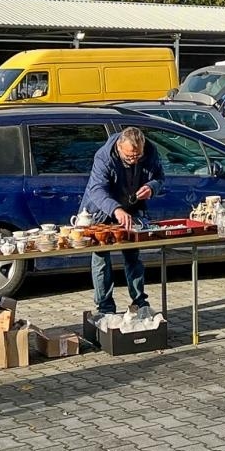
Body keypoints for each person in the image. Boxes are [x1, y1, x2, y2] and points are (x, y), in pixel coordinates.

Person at [81, 127, 164, 317]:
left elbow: (160, 177)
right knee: (101, 258)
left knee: (133, 256)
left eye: (137, 156)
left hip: (132, 208)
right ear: (119, 147)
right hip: (103, 210)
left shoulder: (150, 151)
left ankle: (140, 302)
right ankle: (105, 308)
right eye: (129, 157)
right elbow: (97, 190)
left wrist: (152, 187)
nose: (134, 160)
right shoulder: (104, 156)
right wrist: (116, 209)